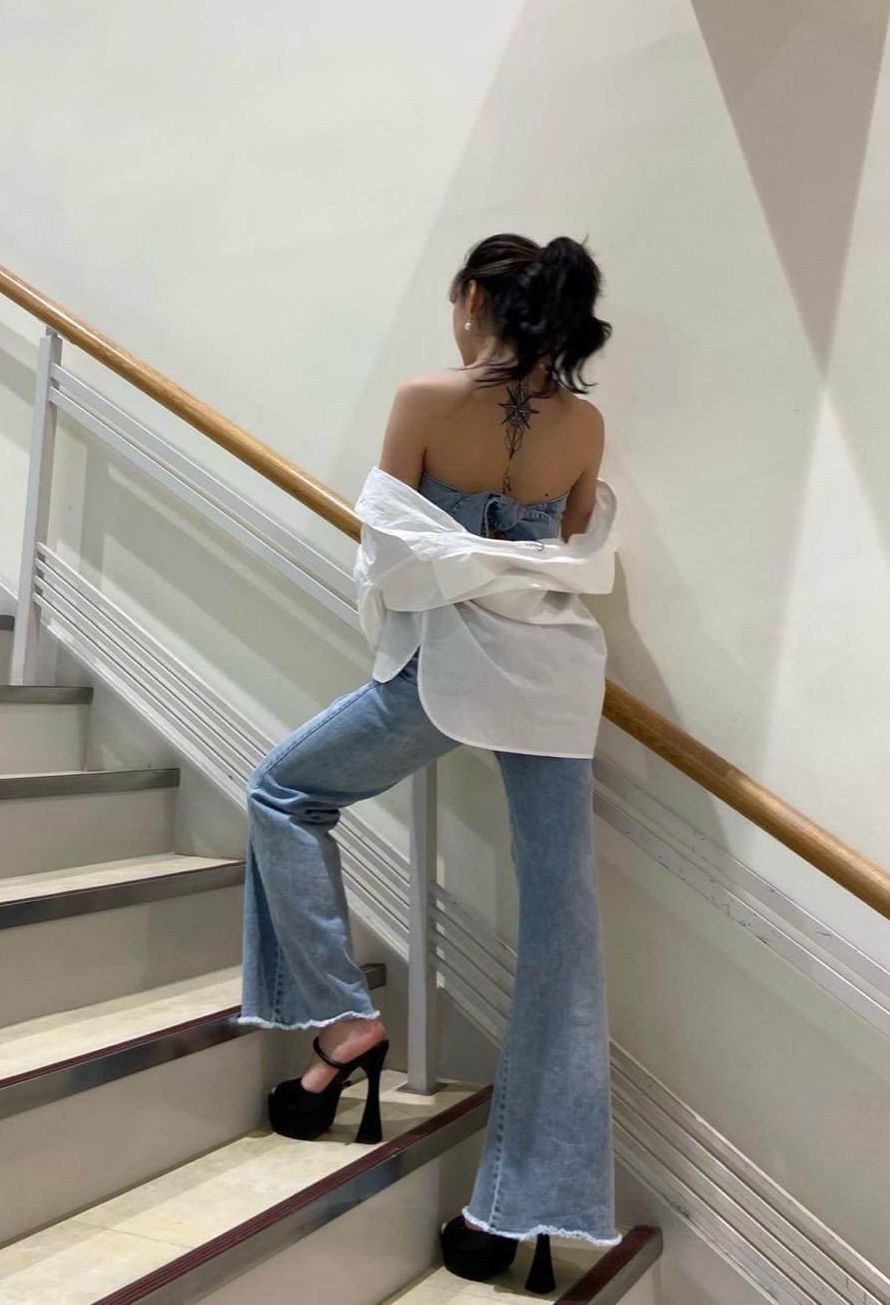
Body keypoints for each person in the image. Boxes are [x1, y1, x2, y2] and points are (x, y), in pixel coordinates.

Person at [239, 232, 621, 1292]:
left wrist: (458, 556)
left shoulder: (423, 398)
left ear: (471, 300)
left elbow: (388, 554)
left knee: (282, 789)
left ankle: (345, 1020)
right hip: (556, 684)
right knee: (563, 938)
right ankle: (520, 1209)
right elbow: (566, 551)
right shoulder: (585, 423)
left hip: (445, 669)